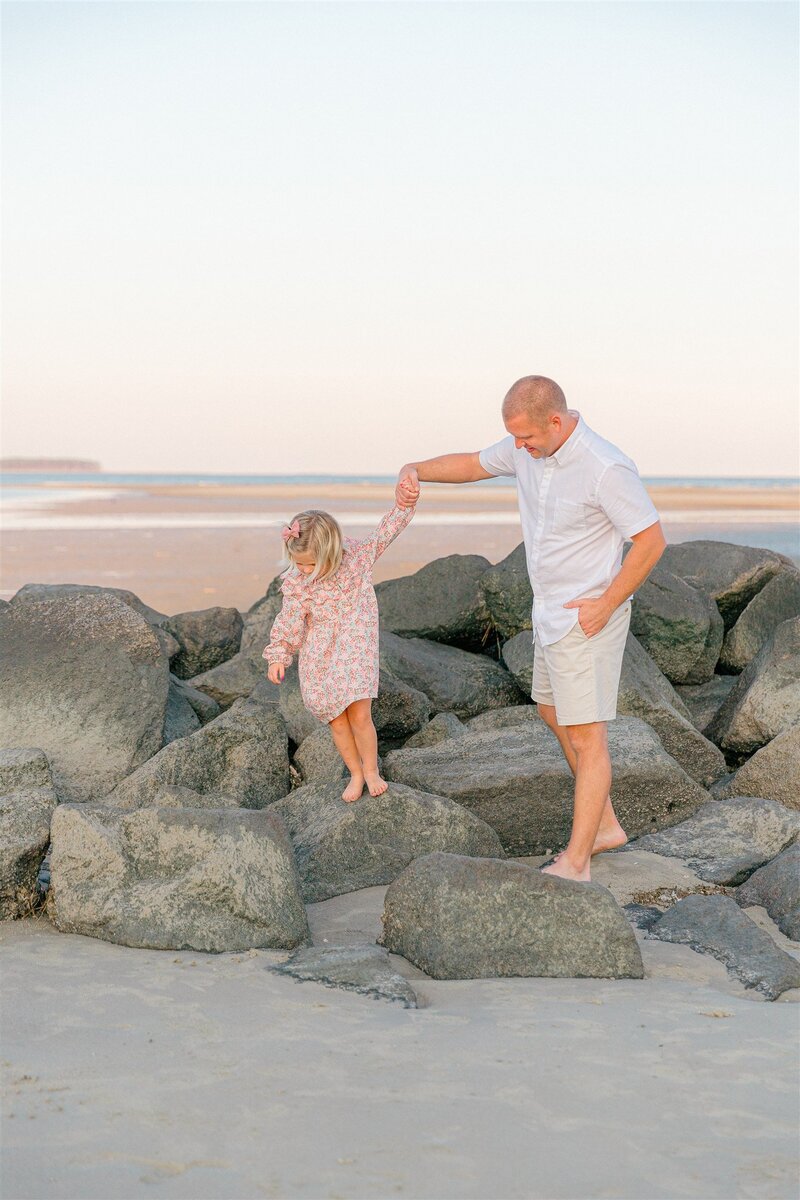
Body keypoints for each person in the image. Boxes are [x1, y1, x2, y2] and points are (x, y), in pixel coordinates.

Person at [395, 375, 665, 881]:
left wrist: (606, 604)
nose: (519, 447)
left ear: (557, 421)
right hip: (549, 614)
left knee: (589, 739)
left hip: (587, 617)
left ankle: (578, 860)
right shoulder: (527, 448)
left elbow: (651, 541)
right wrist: (417, 469)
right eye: (514, 437)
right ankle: (604, 825)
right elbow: (474, 463)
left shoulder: (605, 467)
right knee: (550, 709)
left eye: (527, 437)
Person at [263, 500, 416, 803]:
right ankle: (355, 773)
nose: (304, 571)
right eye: (299, 564)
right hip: (319, 654)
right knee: (336, 719)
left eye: (310, 564)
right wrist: (279, 654)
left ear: (330, 554)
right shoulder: (298, 584)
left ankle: (371, 770)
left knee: (359, 714)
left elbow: (385, 532)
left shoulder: (357, 559)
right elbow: (290, 618)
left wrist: (403, 505)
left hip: (354, 647)